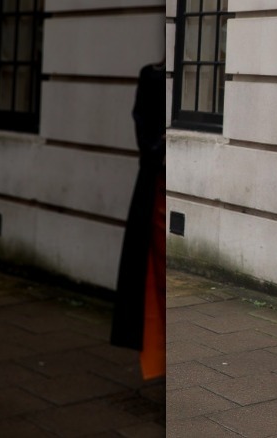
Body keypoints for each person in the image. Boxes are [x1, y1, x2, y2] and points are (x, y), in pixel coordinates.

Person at [110, 60, 167, 380]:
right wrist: (161, 146)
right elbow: (144, 128)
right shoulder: (152, 76)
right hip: (158, 181)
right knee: (154, 276)